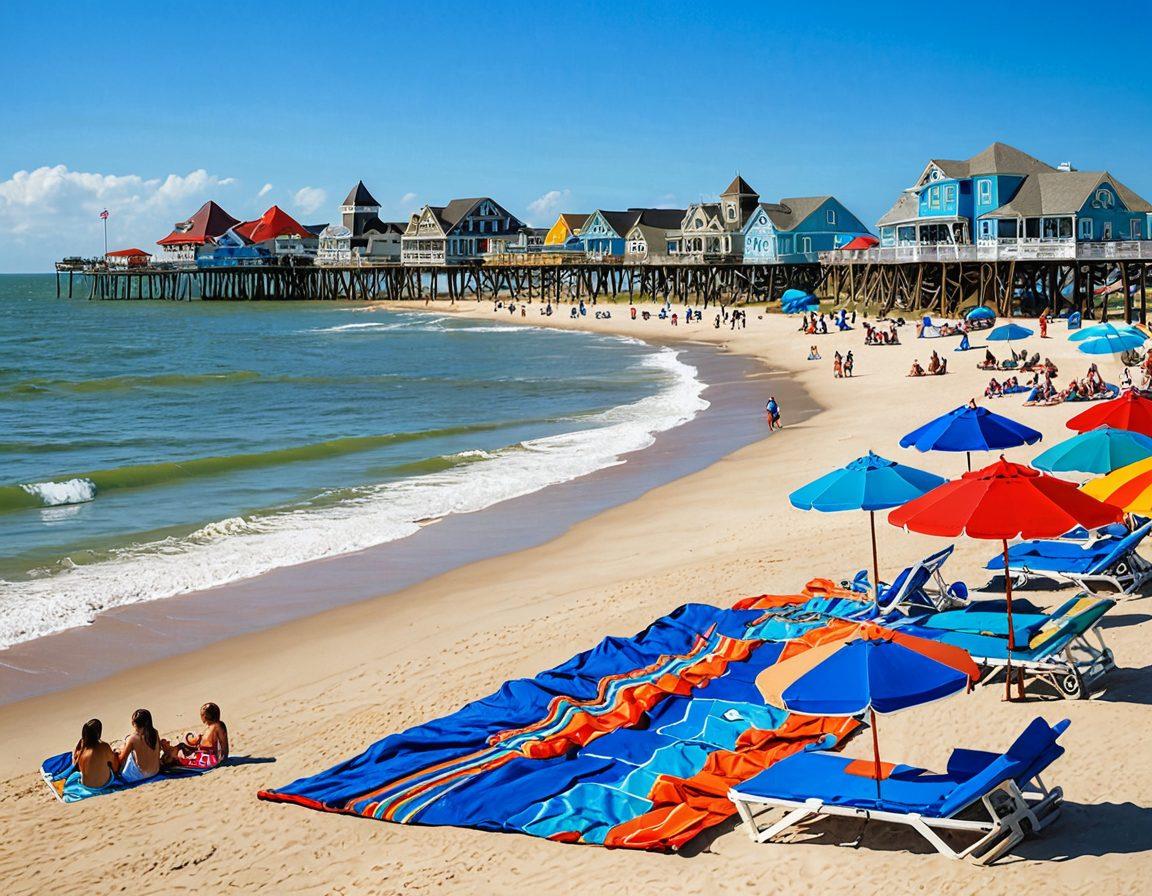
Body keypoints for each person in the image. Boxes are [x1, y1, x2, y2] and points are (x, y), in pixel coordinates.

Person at [163, 702, 229, 769]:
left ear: (205, 716)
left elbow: (224, 745)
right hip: (203, 756)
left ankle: (168, 755)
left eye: (202, 714)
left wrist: (222, 761)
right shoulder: (208, 728)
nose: (202, 716)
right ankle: (168, 755)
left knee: (175, 756)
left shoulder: (218, 725)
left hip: (207, 759)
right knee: (180, 747)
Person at [116, 708, 161, 783]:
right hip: (155, 771)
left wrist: (118, 751)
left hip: (140, 776)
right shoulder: (155, 732)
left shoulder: (133, 738)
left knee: (127, 746)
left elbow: (122, 759)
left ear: (133, 723)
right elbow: (158, 749)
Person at [72, 719, 116, 789]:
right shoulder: (104, 746)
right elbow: (115, 767)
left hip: (86, 785)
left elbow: (75, 765)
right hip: (105, 783)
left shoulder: (81, 748)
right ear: (98, 733)